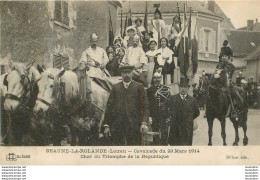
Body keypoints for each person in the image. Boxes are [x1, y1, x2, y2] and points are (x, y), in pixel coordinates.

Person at [103, 64, 150, 145]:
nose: (126, 75)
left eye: (128, 72)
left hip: (135, 126)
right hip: (118, 126)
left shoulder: (139, 87)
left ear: (132, 73)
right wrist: (106, 125)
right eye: (124, 73)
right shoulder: (116, 87)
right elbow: (109, 107)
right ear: (121, 74)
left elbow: (145, 106)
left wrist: (144, 123)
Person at [166, 78, 200, 146]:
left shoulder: (192, 100)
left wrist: (188, 118)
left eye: (185, 87)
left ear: (188, 88)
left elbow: (196, 112)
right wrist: (170, 117)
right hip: (175, 128)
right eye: (181, 87)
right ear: (179, 88)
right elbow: (166, 109)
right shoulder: (173, 98)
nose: (183, 89)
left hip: (187, 128)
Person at [216, 42, 243, 118]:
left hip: (228, 83)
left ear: (228, 57)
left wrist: (223, 73)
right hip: (218, 83)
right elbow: (216, 73)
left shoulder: (231, 66)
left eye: (225, 56)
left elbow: (229, 75)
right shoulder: (218, 65)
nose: (224, 57)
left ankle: (234, 110)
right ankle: (208, 110)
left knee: (234, 94)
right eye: (222, 56)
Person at [147, 72, 171, 145]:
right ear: (153, 79)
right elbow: (148, 104)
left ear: (161, 78)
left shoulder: (165, 88)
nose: (157, 79)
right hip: (154, 115)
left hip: (164, 115)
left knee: (164, 133)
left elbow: (170, 102)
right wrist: (149, 116)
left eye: (159, 78)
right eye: (155, 78)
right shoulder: (150, 90)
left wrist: (169, 115)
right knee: (155, 133)